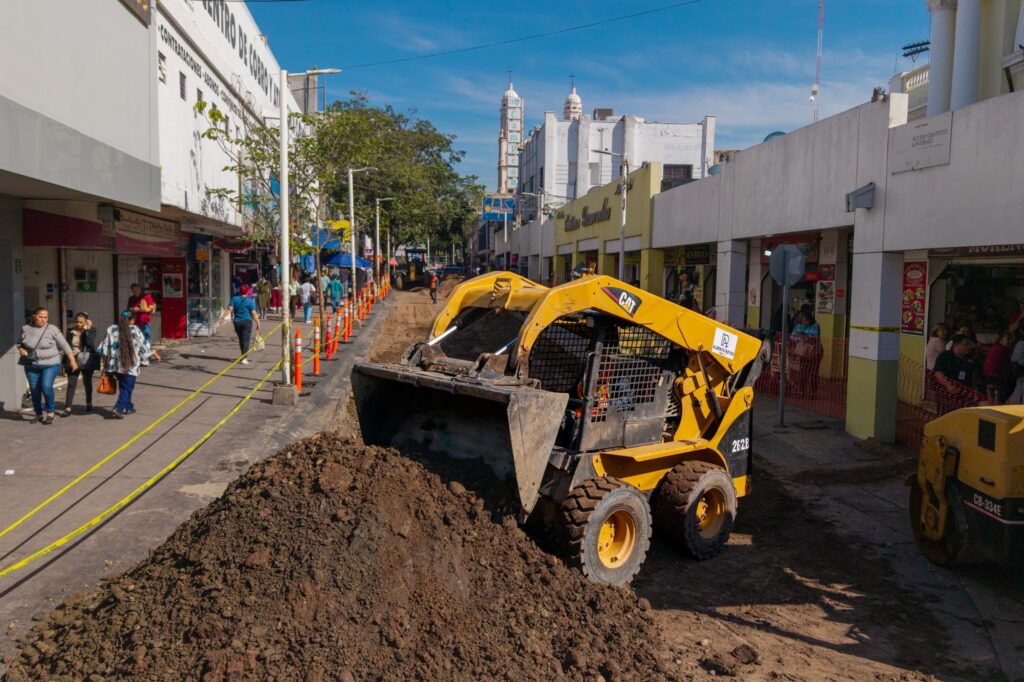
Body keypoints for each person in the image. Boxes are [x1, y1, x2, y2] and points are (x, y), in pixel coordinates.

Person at [19, 307, 78, 424]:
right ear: (34, 316)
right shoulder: (26, 329)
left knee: (46, 386)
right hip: (31, 364)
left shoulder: (52, 329)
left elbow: (65, 345)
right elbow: (19, 343)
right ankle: (38, 413)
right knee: (35, 389)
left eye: (45, 317)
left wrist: (73, 361)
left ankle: (51, 412)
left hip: (50, 363)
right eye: (40, 317)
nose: (43, 320)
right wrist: (21, 349)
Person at [99, 311, 159, 418]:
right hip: (130, 365)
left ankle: (129, 407)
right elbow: (144, 345)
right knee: (127, 388)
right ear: (132, 320)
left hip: (116, 366)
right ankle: (118, 408)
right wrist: (154, 354)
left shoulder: (111, 329)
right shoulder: (135, 330)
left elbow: (104, 348)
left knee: (124, 387)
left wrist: (105, 363)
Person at [62, 312, 101, 415]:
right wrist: (66, 361)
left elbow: (89, 343)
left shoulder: (92, 330)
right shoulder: (70, 331)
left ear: (86, 322)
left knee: (87, 382)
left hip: (86, 359)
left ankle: (89, 403)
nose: (79, 324)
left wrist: (87, 329)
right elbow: (67, 346)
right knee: (71, 383)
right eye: (77, 322)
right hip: (73, 358)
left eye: (81, 322)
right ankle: (68, 407)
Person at [932, 334, 978, 415]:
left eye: (969, 344)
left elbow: (974, 375)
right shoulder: (944, 356)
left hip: (965, 395)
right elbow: (938, 373)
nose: (968, 347)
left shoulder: (970, 358)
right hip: (947, 395)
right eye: (965, 344)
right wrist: (948, 385)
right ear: (956, 345)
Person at [219, 284, 260, 364]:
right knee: (246, 340)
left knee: (241, 339)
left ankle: (243, 356)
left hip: (237, 322)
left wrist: (223, 317)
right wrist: (258, 322)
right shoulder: (250, 301)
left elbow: (229, 309)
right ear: (247, 291)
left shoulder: (234, 299)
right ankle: (244, 358)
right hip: (247, 322)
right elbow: (253, 313)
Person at [790, 310, 823, 399]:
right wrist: (799, 338)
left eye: (806, 321)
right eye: (803, 321)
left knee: (813, 373)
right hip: (803, 352)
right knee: (803, 372)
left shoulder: (815, 326)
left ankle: (813, 393)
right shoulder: (798, 326)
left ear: (810, 320)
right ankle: (801, 391)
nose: (805, 323)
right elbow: (793, 337)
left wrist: (805, 337)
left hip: (815, 352)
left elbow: (816, 338)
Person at [983, 331, 1015, 404]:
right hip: (998, 378)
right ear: (1001, 340)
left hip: (987, 377)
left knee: (991, 400)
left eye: (1011, 340)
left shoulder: (993, 348)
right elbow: (1008, 365)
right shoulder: (1004, 350)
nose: (1010, 342)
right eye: (1008, 339)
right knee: (999, 400)